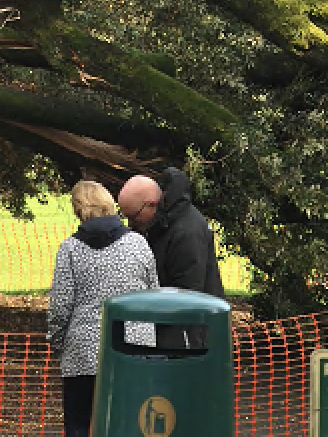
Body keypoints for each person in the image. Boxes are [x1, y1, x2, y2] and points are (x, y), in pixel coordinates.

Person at [49, 179, 158, 437]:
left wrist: (57, 342)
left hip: (83, 356)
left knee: (79, 425)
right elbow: (154, 296)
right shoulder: (138, 244)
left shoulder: (70, 249)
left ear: (78, 209)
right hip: (133, 351)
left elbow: (60, 306)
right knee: (133, 423)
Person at [118, 167, 225, 297]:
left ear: (151, 204)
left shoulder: (187, 233)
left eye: (133, 217)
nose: (130, 224)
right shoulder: (159, 225)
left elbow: (188, 297)